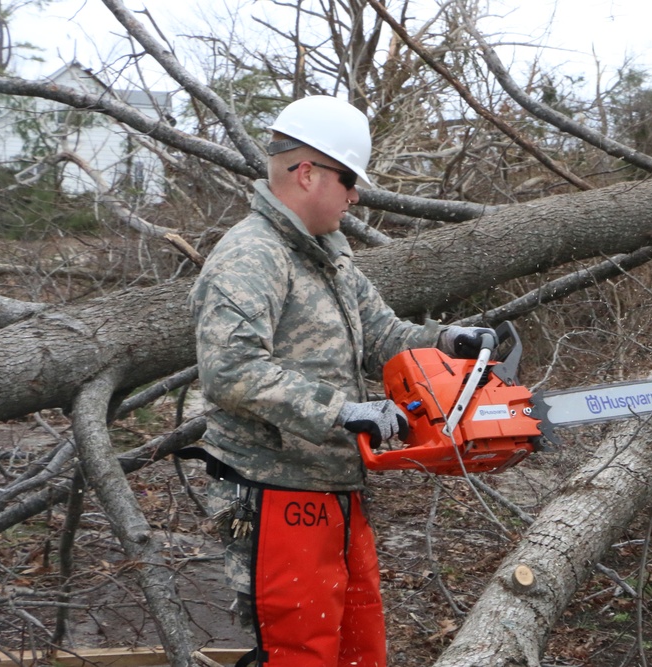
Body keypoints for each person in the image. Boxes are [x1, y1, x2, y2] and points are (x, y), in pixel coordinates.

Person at [186, 95, 494, 667]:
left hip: (338, 485)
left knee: (359, 648)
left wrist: (448, 341)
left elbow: (382, 335)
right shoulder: (251, 256)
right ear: (308, 173)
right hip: (275, 490)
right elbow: (231, 372)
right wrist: (344, 412)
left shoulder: (327, 255)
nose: (355, 195)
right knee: (298, 651)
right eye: (349, 179)